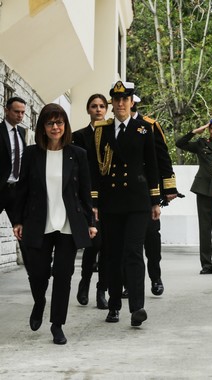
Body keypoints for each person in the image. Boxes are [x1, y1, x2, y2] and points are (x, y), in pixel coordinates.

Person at [13, 103, 97, 345]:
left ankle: (57, 324)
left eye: (59, 122)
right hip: (38, 222)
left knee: (63, 274)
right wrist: (18, 220)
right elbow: (22, 190)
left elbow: (85, 192)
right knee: (38, 273)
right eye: (50, 122)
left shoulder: (77, 154)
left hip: (68, 224)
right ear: (43, 126)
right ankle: (39, 302)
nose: (55, 127)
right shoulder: (31, 154)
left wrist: (90, 221)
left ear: (65, 125)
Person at [91, 81, 161, 327]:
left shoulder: (144, 129)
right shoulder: (102, 131)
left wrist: (155, 200)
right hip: (111, 202)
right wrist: (95, 201)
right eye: (117, 100)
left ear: (132, 102)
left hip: (137, 201)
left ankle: (137, 307)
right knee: (112, 254)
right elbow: (95, 169)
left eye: (125, 99)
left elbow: (152, 165)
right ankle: (114, 305)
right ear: (112, 103)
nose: (120, 103)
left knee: (133, 252)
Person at [131, 95, 179, 293]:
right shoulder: (111, 128)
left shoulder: (149, 125)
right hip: (124, 190)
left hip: (148, 189)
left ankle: (155, 277)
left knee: (151, 237)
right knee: (129, 242)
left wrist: (169, 188)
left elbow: (162, 157)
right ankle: (130, 283)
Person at [175, 117, 212, 274]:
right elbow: (180, 144)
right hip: (203, 191)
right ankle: (206, 264)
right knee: (205, 230)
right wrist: (195, 132)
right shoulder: (201, 144)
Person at [72, 94, 109, 309]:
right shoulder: (79, 136)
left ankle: (101, 291)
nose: (98, 109)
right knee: (94, 244)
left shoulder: (113, 135)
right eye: (94, 106)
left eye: (102, 106)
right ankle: (85, 283)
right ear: (88, 110)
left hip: (111, 198)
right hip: (88, 198)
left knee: (108, 246)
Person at [0, 97, 27, 229]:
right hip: (1, 186)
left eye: (22, 112)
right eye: (17, 111)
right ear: (6, 110)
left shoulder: (22, 132)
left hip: (16, 190)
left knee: (23, 231)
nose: (20, 115)